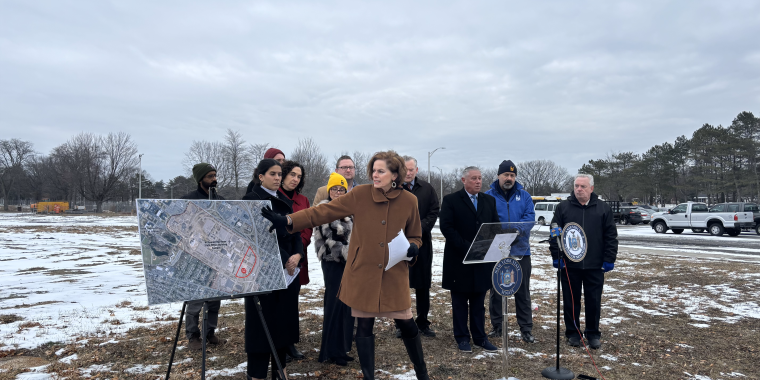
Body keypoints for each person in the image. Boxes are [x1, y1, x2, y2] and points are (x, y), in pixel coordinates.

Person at [261, 150, 430, 380]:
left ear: (395, 174)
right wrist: (289, 220)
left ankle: (422, 372)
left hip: (394, 272)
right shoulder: (360, 194)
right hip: (364, 273)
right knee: (364, 326)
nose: (375, 175)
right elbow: (324, 211)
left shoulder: (410, 201)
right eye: (373, 170)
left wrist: (413, 247)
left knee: (408, 324)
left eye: (381, 171)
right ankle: (369, 376)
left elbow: (416, 235)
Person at [241, 159, 304, 380]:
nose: (278, 178)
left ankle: (280, 370)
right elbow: (257, 239)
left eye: (280, 174)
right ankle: (257, 374)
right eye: (273, 174)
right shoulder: (252, 200)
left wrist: (298, 255)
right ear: (261, 176)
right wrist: (286, 257)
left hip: (288, 274)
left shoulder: (283, 199)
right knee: (261, 326)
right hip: (263, 273)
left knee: (282, 324)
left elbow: (295, 230)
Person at [549, 174, 618, 350]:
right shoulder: (563, 208)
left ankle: (593, 333)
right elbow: (554, 234)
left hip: (595, 265)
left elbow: (610, 236)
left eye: (583, 186)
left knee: (593, 300)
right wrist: (557, 257)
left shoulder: (603, 208)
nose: (579, 189)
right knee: (571, 300)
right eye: (577, 186)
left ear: (591, 189)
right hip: (570, 265)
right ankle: (573, 333)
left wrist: (609, 259)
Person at [439, 166, 500, 353]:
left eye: (480, 178)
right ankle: (462, 338)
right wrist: (468, 246)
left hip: (481, 261)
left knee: (478, 303)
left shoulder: (489, 201)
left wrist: (487, 245)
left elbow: (494, 225)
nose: (478, 181)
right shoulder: (451, 200)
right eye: (474, 178)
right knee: (459, 303)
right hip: (459, 260)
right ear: (464, 180)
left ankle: (480, 337)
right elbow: (447, 228)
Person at [484, 160, 536, 343]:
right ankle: (497, 325)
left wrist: (513, 230)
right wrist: (499, 233)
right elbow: (484, 220)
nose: (509, 178)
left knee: (522, 291)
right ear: (498, 176)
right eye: (506, 175)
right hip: (496, 251)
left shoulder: (525, 197)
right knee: (496, 289)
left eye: (512, 175)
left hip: (520, 250)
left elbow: (529, 219)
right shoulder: (488, 196)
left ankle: (526, 328)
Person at [180, 163, 225, 350]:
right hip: (196, 257)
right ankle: (193, 336)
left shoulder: (220, 200)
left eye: (215, 176)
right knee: (195, 302)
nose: (214, 180)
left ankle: (209, 332)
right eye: (209, 177)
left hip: (215, 256)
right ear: (200, 180)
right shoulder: (188, 200)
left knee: (214, 300)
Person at [395, 156, 439, 339]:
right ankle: (401, 323)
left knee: (422, 285)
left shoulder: (427, 189)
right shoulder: (393, 188)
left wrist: (418, 229)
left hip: (422, 244)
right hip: (398, 244)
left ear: (417, 170)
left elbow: (434, 211)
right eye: (405, 169)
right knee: (399, 285)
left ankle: (422, 322)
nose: (408, 172)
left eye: (411, 169)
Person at [314, 172, 355, 366]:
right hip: (333, 263)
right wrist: (351, 255)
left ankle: (340, 348)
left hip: (347, 264)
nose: (338, 192)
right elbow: (332, 241)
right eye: (335, 189)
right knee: (333, 304)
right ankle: (329, 351)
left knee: (344, 307)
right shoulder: (325, 209)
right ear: (329, 190)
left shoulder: (349, 210)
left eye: (342, 189)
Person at [278, 160, 311, 362]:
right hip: (279, 259)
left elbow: (307, 227)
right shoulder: (275, 197)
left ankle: (290, 343)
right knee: (277, 303)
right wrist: (285, 257)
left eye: (299, 176)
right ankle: (278, 343)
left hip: (298, 258)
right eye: (292, 175)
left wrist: (298, 254)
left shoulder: (303, 200)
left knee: (292, 302)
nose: (295, 179)